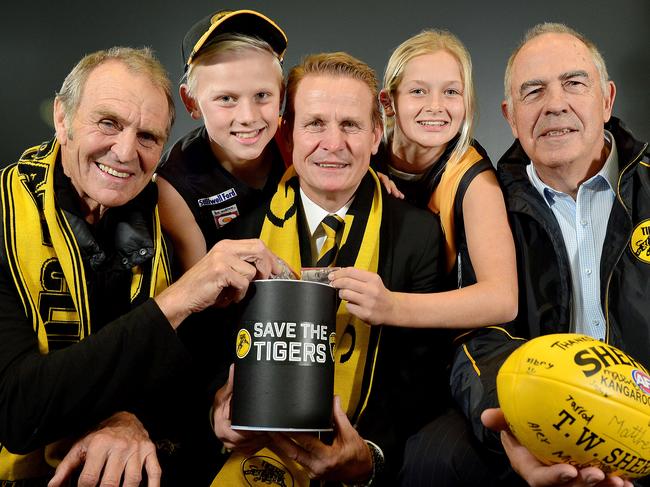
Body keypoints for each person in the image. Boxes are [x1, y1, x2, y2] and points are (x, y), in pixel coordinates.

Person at [0, 46, 282, 486]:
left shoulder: (166, 214)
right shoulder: (2, 217)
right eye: (108, 123)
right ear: (62, 117)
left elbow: (183, 379)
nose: (126, 151)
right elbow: (17, 410)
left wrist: (142, 417)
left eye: (148, 136)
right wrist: (179, 298)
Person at [413, 22, 649, 487]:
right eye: (533, 91)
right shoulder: (487, 203)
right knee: (431, 458)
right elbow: (475, 339)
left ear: (607, 99)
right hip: (537, 419)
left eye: (574, 83)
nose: (555, 103)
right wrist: (516, 426)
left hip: (642, 417)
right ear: (510, 115)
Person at [209, 52, 448, 486]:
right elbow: (207, 357)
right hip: (255, 454)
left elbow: (421, 383)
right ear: (287, 135)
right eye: (315, 124)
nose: (333, 144)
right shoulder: (240, 235)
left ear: (376, 135)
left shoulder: (420, 235)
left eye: (351, 125)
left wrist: (370, 458)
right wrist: (217, 413)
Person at [334, 29, 517, 330]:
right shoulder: (363, 155)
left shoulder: (474, 180)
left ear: (467, 102)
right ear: (388, 102)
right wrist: (360, 175)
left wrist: (392, 307)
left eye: (451, 92)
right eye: (418, 91)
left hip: (438, 341)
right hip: (356, 326)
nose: (436, 106)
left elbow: (503, 299)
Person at [156, 9, 289, 273]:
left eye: (262, 95)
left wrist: (371, 177)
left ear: (282, 95)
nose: (248, 117)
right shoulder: (175, 184)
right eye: (226, 99)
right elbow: (199, 292)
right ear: (190, 102)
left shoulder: (300, 142)